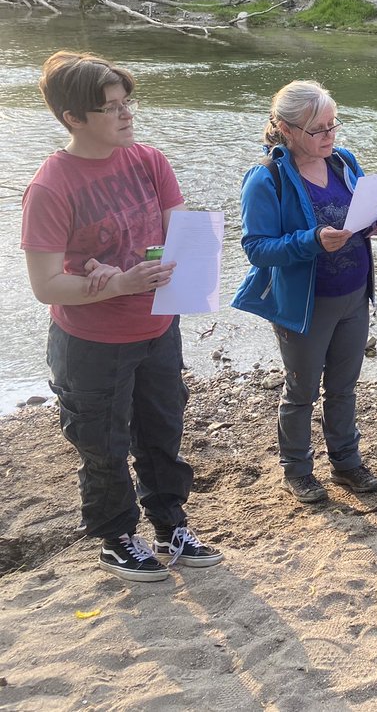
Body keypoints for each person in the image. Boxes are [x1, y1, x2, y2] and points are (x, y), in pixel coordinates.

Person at [21, 51, 222, 582]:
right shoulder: (50, 186)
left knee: (162, 432)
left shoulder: (149, 160)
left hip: (158, 327)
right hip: (91, 341)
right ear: (73, 118)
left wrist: (176, 269)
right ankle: (118, 539)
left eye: (127, 102)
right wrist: (118, 282)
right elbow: (45, 285)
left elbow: (177, 236)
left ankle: (171, 525)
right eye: (111, 107)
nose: (127, 114)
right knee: (102, 446)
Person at [233, 80, 377, 504]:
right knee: (301, 390)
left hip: (354, 294)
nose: (330, 135)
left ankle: (346, 463)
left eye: (333, 124)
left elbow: (361, 215)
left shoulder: (344, 161)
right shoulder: (266, 178)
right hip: (305, 303)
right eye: (318, 129)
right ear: (286, 130)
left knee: (344, 386)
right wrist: (313, 240)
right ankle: (297, 470)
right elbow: (256, 249)